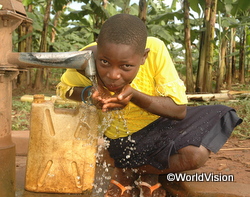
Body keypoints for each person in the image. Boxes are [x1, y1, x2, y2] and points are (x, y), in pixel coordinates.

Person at [57, 14, 242, 197]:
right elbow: (63, 89)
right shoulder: (84, 59)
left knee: (204, 141)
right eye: (105, 62)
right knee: (188, 153)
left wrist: (135, 96)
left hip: (159, 126)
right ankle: (126, 171)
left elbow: (179, 110)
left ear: (143, 57)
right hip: (122, 139)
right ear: (99, 48)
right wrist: (90, 94)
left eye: (125, 66)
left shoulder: (155, 50)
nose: (113, 75)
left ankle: (143, 170)